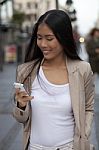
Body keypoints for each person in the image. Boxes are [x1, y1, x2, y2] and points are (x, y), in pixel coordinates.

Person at [13, 9, 95, 150]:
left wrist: (83, 136)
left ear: (64, 38)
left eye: (49, 38)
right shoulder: (25, 71)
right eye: (39, 37)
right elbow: (21, 118)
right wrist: (20, 105)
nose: (43, 44)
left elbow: (88, 108)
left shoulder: (82, 70)